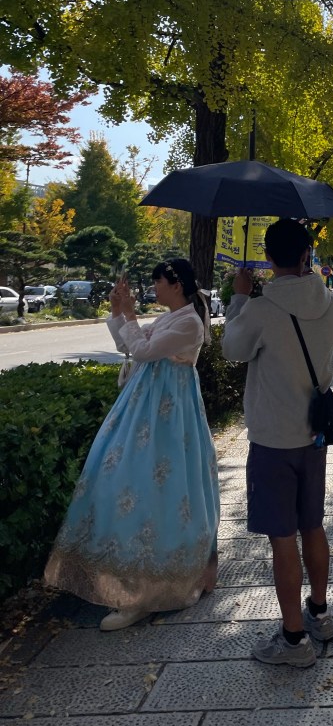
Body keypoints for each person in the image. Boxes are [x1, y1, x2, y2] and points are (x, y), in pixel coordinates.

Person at [45, 260, 220, 631]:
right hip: (146, 407)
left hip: (168, 418)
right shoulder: (173, 317)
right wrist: (118, 312)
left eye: (157, 282)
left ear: (175, 284)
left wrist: (129, 314)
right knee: (125, 481)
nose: (154, 289)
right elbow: (131, 345)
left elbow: (143, 351)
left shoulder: (189, 322)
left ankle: (143, 593)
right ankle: (125, 584)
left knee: (154, 489)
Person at [221, 219, 333, 668]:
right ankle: (320, 614)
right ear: (306, 255)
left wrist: (240, 296)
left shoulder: (260, 308)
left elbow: (232, 350)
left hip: (273, 438)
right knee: (313, 525)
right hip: (315, 436)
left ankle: (294, 639)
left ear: (267, 257)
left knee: (282, 539)